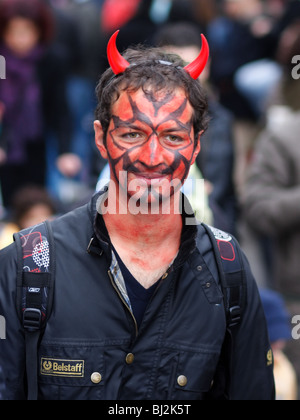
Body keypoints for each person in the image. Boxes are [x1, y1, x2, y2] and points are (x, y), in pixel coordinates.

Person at [0, 31, 274, 400]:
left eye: (174, 137)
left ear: (196, 145)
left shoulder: (228, 270)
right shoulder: (27, 264)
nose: (152, 156)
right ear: (101, 137)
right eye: (132, 134)